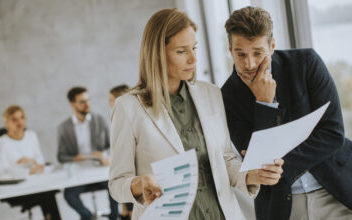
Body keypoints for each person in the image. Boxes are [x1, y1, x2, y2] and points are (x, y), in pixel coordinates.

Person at [109, 8, 284, 220]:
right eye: (182, 51)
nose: (193, 59)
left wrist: (251, 175)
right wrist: (140, 183)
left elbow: (226, 158)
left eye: (194, 48)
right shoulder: (128, 107)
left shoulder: (210, 93)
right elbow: (117, 184)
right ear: (157, 53)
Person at [221, 6, 352, 220]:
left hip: (337, 191)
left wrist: (279, 162)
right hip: (283, 206)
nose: (249, 63)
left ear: (272, 46)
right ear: (230, 49)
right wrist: (264, 104)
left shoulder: (307, 63)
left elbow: (333, 133)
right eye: (240, 54)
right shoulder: (227, 96)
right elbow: (258, 163)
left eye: (257, 52)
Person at [57, 87, 118, 220]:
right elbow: (61, 156)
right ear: (72, 104)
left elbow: (113, 146)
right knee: (69, 195)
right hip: (79, 173)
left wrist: (103, 155)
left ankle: (114, 217)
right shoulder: (64, 127)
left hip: (100, 170)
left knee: (116, 185)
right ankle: (88, 217)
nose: (87, 104)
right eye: (82, 102)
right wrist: (74, 159)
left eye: (88, 100)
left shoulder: (100, 120)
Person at [0, 105, 61, 220]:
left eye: (22, 118)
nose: (19, 122)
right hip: (17, 188)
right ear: (7, 123)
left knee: (47, 190)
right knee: (47, 193)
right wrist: (28, 172)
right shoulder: (2, 142)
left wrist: (32, 161)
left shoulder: (31, 135)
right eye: (14, 120)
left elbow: (40, 161)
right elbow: (3, 170)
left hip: (36, 183)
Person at [108, 84, 133, 220]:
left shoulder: (125, 117)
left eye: (111, 99)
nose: (109, 103)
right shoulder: (116, 116)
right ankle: (124, 212)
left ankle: (126, 213)